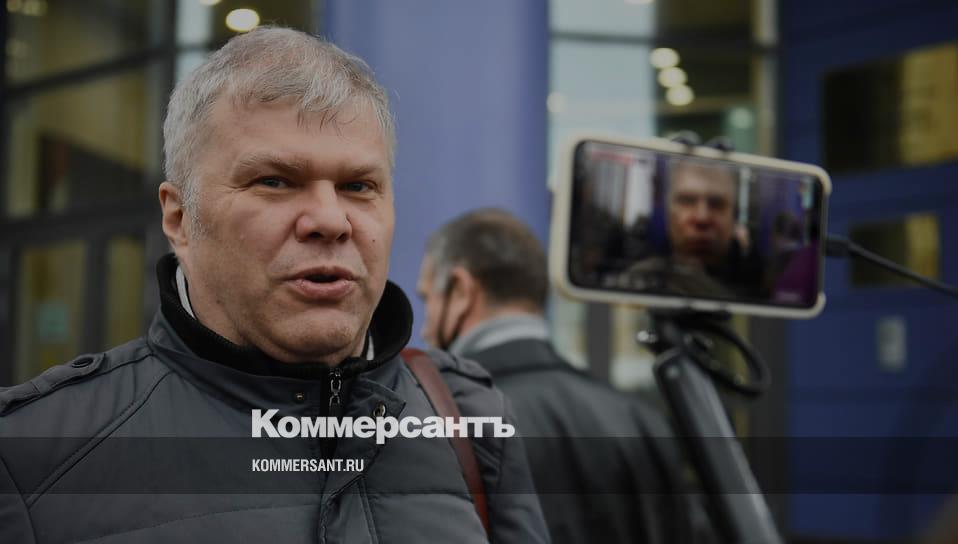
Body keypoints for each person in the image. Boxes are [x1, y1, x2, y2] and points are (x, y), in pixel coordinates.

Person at [0, 27, 548, 543]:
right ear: (180, 219)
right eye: (274, 181)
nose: (330, 220)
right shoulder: (31, 455)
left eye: (359, 186)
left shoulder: (469, 419)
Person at [417, 208, 713, 544]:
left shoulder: (432, 424)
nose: (425, 329)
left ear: (460, 291)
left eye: (427, 299)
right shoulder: (641, 420)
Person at [627, 159, 763, 298]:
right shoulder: (640, 280)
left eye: (716, 204)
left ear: (733, 216)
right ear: (668, 214)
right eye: (687, 201)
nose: (702, 217)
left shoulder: (759, 284)